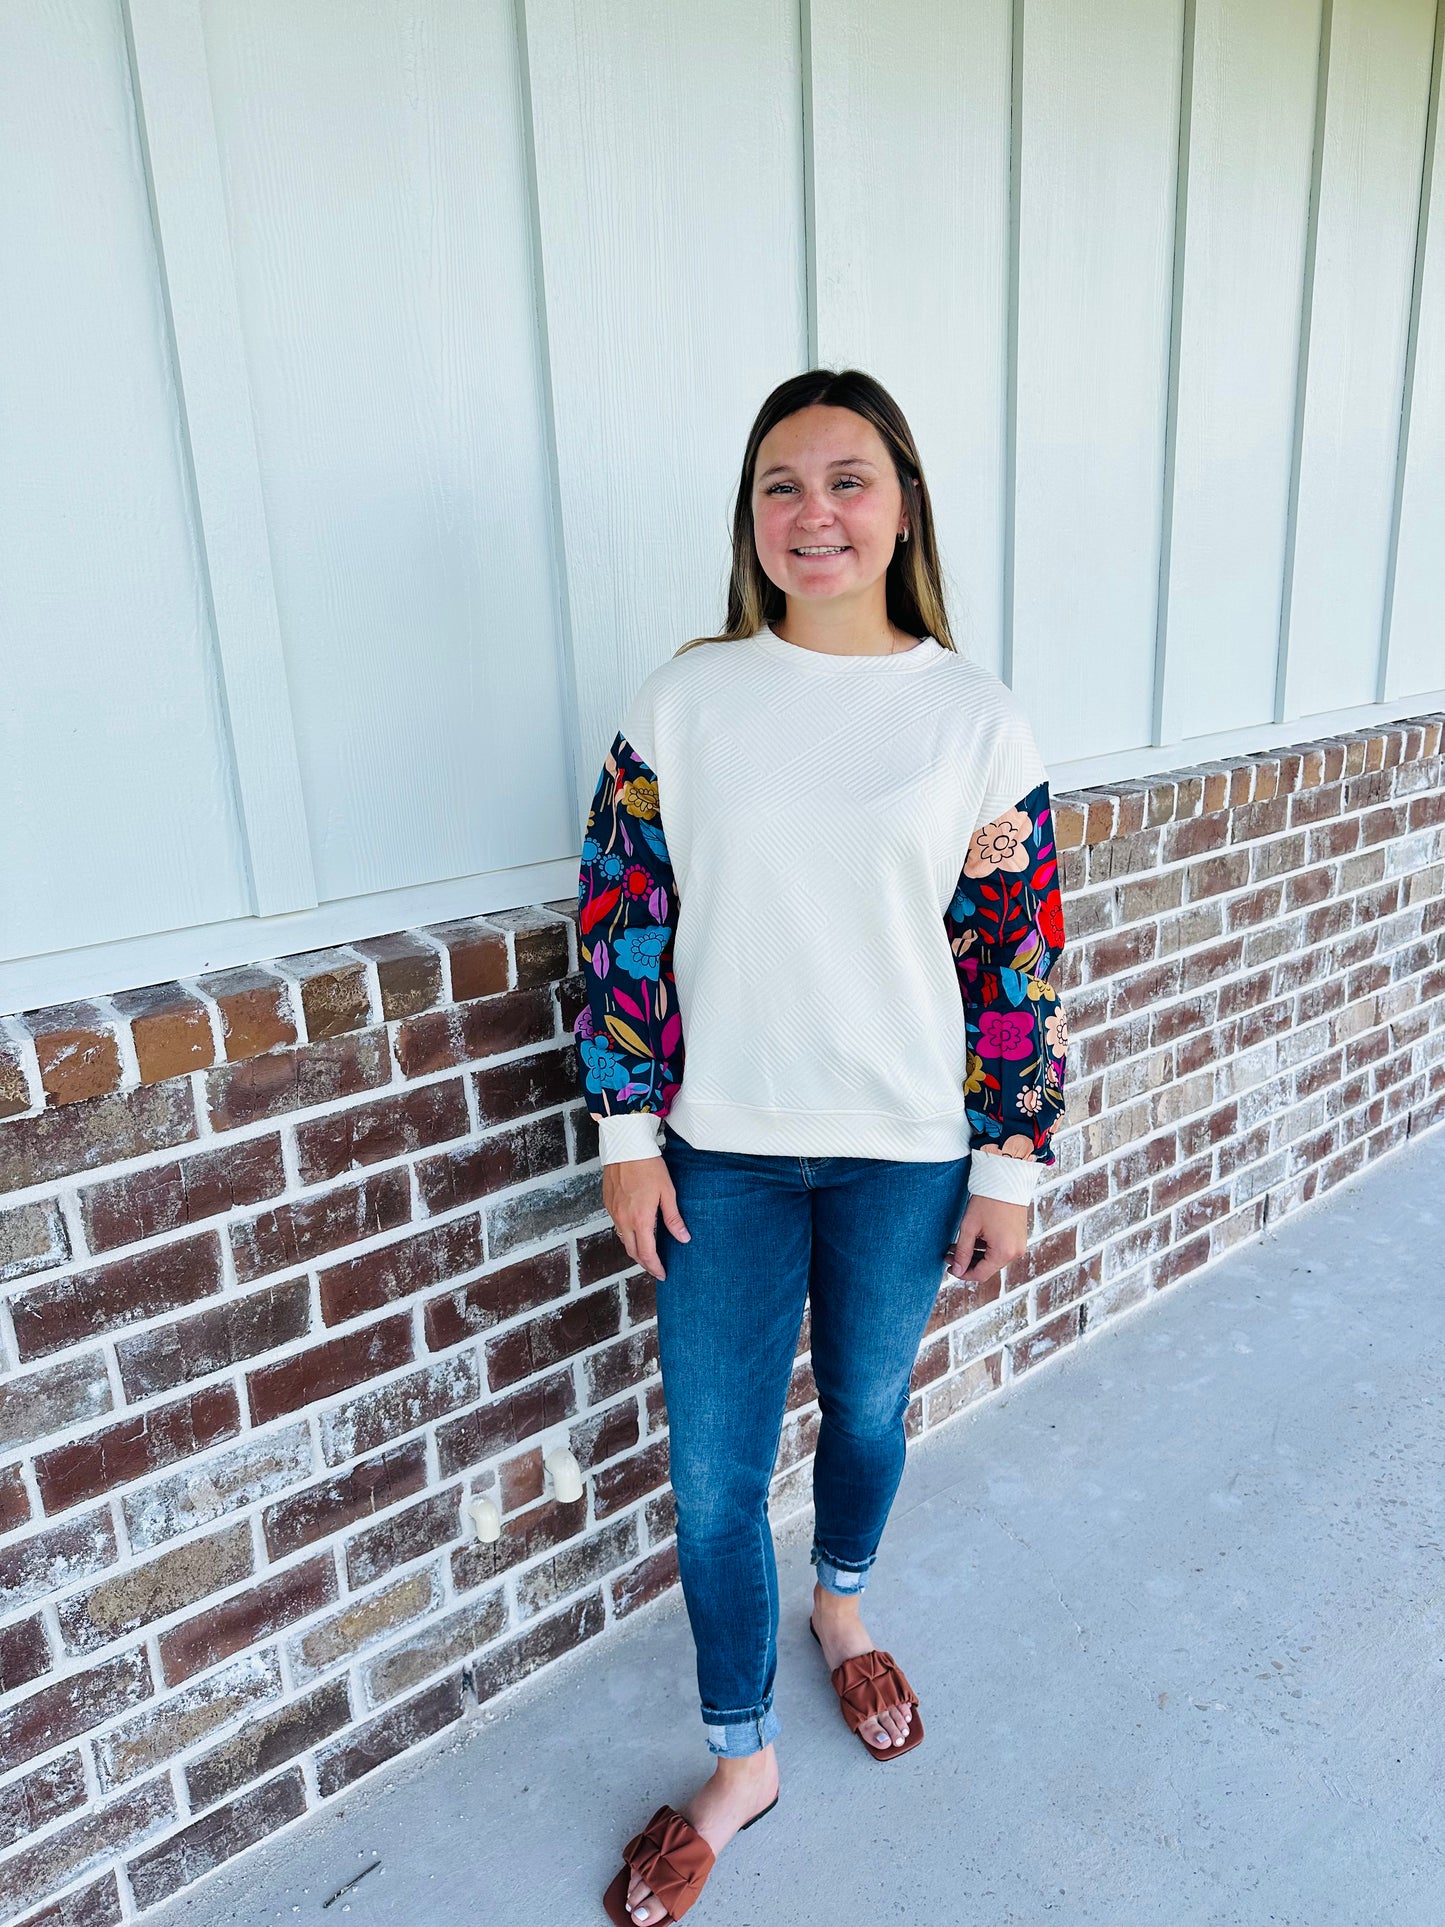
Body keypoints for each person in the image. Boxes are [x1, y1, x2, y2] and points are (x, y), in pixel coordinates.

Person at [574, 367, 1070, 1925]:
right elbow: (618, 922)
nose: (815, 513)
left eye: (847, 480)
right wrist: (625, 1133)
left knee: (865, 1405)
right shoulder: (680, 702)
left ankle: (841, 1610)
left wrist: (1009, 1163)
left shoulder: (973, 719)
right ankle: (740, 1759)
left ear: (901, 503)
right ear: (752, 517)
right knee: (712, 1476)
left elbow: (1014, 952)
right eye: (782, 486)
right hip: (713, 1151)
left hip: (905, 1149)